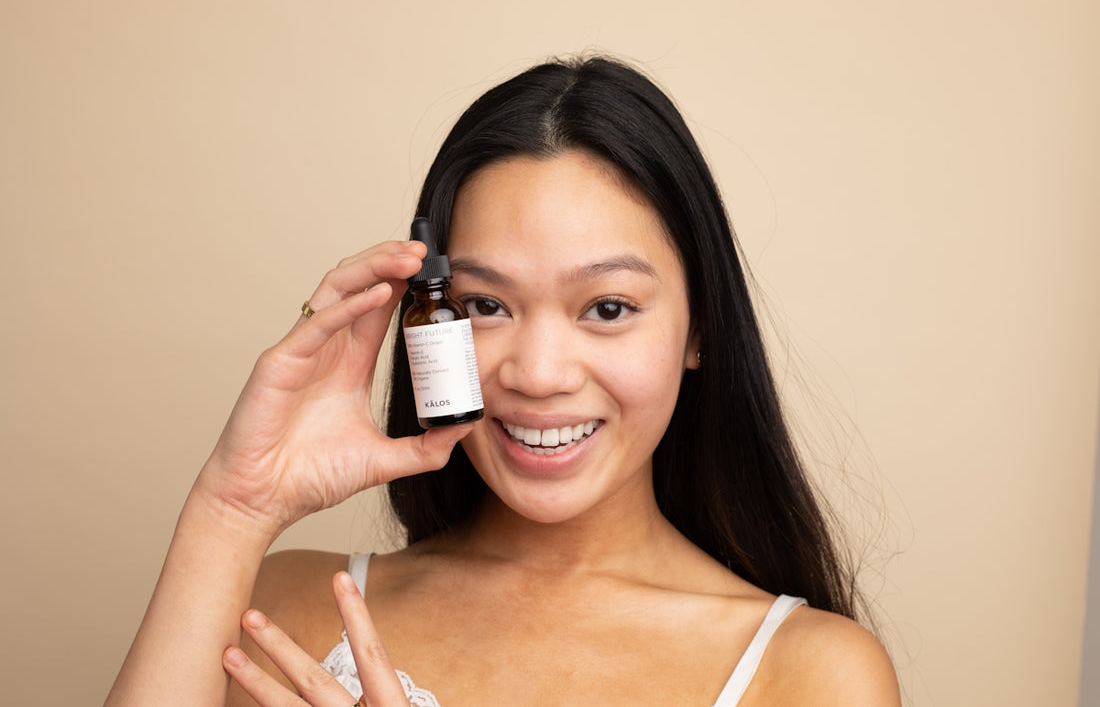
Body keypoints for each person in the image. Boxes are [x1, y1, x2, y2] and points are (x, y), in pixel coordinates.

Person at [106, 55, 900, 706]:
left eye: (609, 307)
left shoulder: (811, 673)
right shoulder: (289, 609)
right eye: (486, 304)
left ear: (700, 330)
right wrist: (233, 506)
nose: (538, 373)